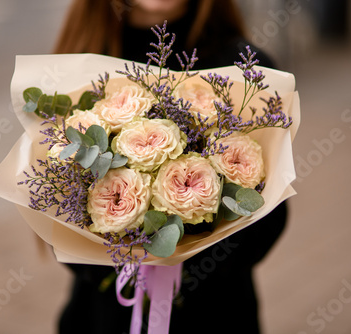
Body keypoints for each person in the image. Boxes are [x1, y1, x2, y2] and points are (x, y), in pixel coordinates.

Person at [53, 1, 288, 333]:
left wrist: (186, 248)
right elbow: (53, 211)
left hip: (218, 314)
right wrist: (120, 255)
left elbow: (271, 217)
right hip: (103, 316)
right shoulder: (80, 61)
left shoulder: (246, 72)